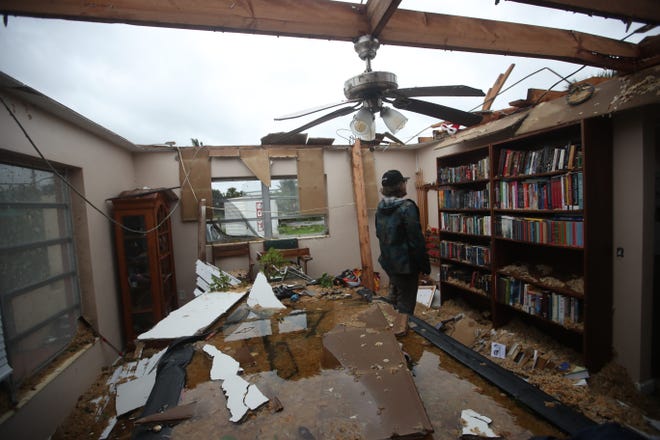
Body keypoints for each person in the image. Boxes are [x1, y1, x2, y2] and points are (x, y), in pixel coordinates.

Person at [375, 169, 431, 314]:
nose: (405, 185)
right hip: (406, 267)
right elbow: (416, 241)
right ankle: (400, 333)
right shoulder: (407, 208)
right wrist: (425, 266)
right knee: (405, 308)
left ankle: (389, 330)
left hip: (389, 263)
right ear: (400, 185)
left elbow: (379, 235)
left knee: (394, 301)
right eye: (404, 182)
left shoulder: (380, 208)